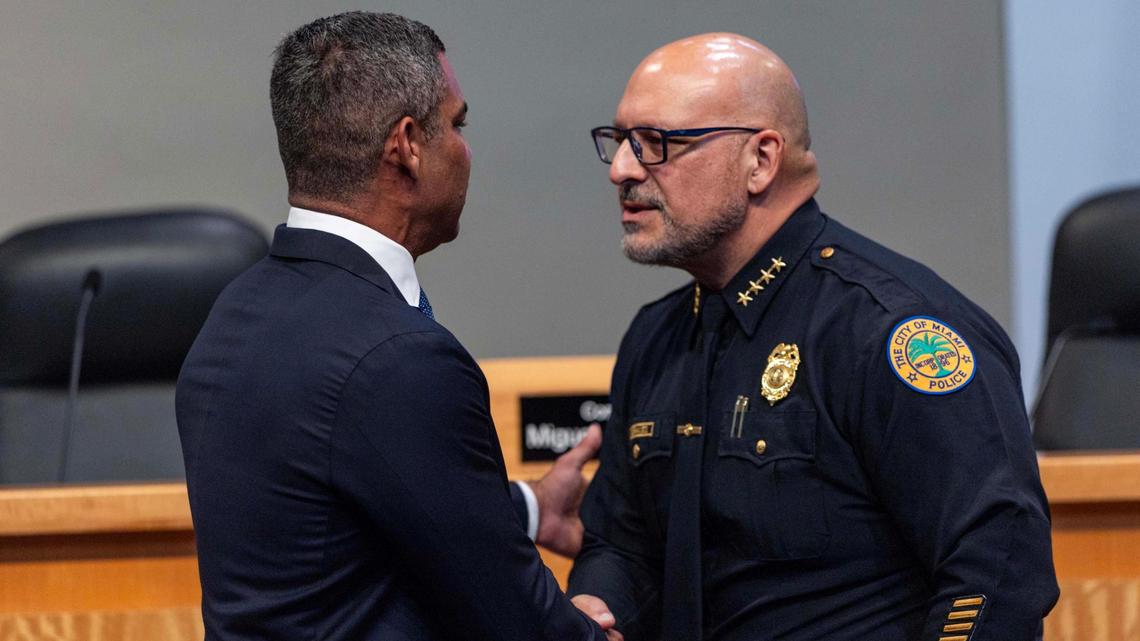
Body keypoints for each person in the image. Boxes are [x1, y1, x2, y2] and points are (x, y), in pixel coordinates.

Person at [567, 33, 1058, 641]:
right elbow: (622, 542)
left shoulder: (891, 329)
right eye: (619, 142)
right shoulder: (656, 337)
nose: (621, 169)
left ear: (761, 160)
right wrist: (597, 606)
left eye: (656, 144)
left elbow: (998, 565)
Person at [176, 12, 615, 641]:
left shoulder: (237, 313)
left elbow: (346, 519)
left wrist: (529, 509)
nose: (466, 149)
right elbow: (513, 623)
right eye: (458, 124)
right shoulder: (400, 358)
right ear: (407, 145)